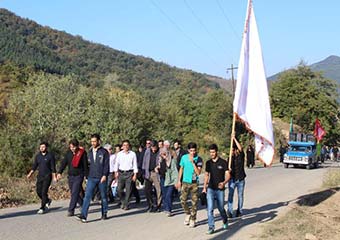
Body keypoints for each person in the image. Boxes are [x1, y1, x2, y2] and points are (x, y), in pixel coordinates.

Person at [78, 134, 110, 223]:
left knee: (103, 196)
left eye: (94, 141)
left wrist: (104, 175)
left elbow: (107, 165)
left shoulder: (104, 152)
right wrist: (87, 176)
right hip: (91, 177)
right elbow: (87, 165)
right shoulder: (89, 152)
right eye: (91, 141)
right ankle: (83, 215)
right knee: (87, 196)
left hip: (101, 178)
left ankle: (104, 213)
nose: (93, 143)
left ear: (99, 141)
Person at [203, 144, 230, 234]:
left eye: (213, 152)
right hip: (211, 188)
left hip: (220, 189)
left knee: (221, 208)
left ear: (216, 152)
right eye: (210, 152)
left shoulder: (223, 162)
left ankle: (225, 220)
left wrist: (224, 183)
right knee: (210, 208)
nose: (212, 154)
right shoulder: (208, 163)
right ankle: (211, 227)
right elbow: (206, 175)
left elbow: (227, 174)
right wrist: (204, 187)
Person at [57, 139, 87, 216]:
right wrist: (60, 172)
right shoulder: (68, 153)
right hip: (70, 176)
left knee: (74, 192)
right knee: (74, 193)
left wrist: (86, 176)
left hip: (79, 175)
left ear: (77, 146)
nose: (72, 148)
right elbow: (64, 163)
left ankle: (71, 210)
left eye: (73, 147)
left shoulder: (82, 153)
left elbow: (85, 165)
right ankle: (83, 204)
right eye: (71, 147)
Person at [176, 142, 203, 228]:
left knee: (194, 202)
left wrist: (193, 163)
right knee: (182, 200)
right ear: (188, 150)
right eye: (191, 151)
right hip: (185, 181)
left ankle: (193, 219)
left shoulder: (199, 159)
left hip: (194, 183)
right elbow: (181, 169)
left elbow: (198, 172)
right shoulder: (184, 158)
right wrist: (179, 181)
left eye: (194, 151)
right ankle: (187, 213)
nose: (193, 152)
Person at [27, 142, 57, 214]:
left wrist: (54, 177)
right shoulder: (38, 156)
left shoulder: (50, 156)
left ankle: (42, 207)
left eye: (43, 147)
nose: (41, 148)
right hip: (40, 176)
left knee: (44, 192)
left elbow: (53, 168)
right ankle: (47, 200)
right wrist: (30, 173)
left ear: (46, 147)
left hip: (47, 176)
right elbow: (35, 166)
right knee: (38, 191)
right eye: (40, 147)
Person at [114, 139, 138, 210]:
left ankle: (126, 204)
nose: (126, 146)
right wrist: (116, 172)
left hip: (129, 173)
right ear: (122, 146)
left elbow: (135, 165)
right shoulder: (119, 154)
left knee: (128, 190)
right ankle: (123, 201)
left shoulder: (133, 154)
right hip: (121, 173)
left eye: (127, 145)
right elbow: (116, 164)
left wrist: (135, 174)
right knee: (119, 190)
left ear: (129, 146)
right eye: (124, 145)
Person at [227, 136, 246, 218]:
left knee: (240, 195)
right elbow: (226, 169)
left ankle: (239, 210)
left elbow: (241, 148)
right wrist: (228, 170)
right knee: (230, 195)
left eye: (233, 150)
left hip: (240, 179)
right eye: (231, 150)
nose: (232, 151)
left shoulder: (240, 156)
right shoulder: (229, 159)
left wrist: (234, 138)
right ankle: (230, 211)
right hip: (232, 179)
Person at [142, 140, 162, 212]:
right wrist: (143, 171)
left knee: (158, 190)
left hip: (156, 173)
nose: (153, 149)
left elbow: (162, 161)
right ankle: (150, 205)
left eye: (155, 147)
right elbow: (144, 161)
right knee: (147, 190)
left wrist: (159, 167)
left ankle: (158, 205)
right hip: (148, 172)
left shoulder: (160, 152)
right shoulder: (147, 151)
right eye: (152, 147)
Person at [159, 147, 178, 217]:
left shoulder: (172, 161)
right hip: (163, 179)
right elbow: (160, 171)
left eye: (165, 153)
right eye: (162, 154)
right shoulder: (160, 161)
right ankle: (165, 208)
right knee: (164, 195)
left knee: (168, 195)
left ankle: (168, 210)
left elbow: (175, 171)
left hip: (171, 180)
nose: (163, 155)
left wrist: (176, 181)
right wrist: (157, 169)